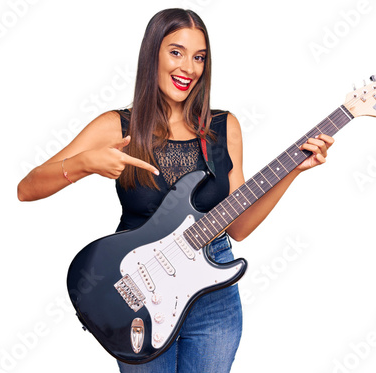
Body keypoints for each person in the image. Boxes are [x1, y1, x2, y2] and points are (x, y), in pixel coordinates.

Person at [17, 8, 334, 373]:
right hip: (137, 293)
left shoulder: (222, 127)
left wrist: (293, 170)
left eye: (199, 57)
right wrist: (86, 163)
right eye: (176, 52)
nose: (189, 67)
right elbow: (27, 188)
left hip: (213, 298)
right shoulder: (117, 126)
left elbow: (240, 227)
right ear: (153, 54)